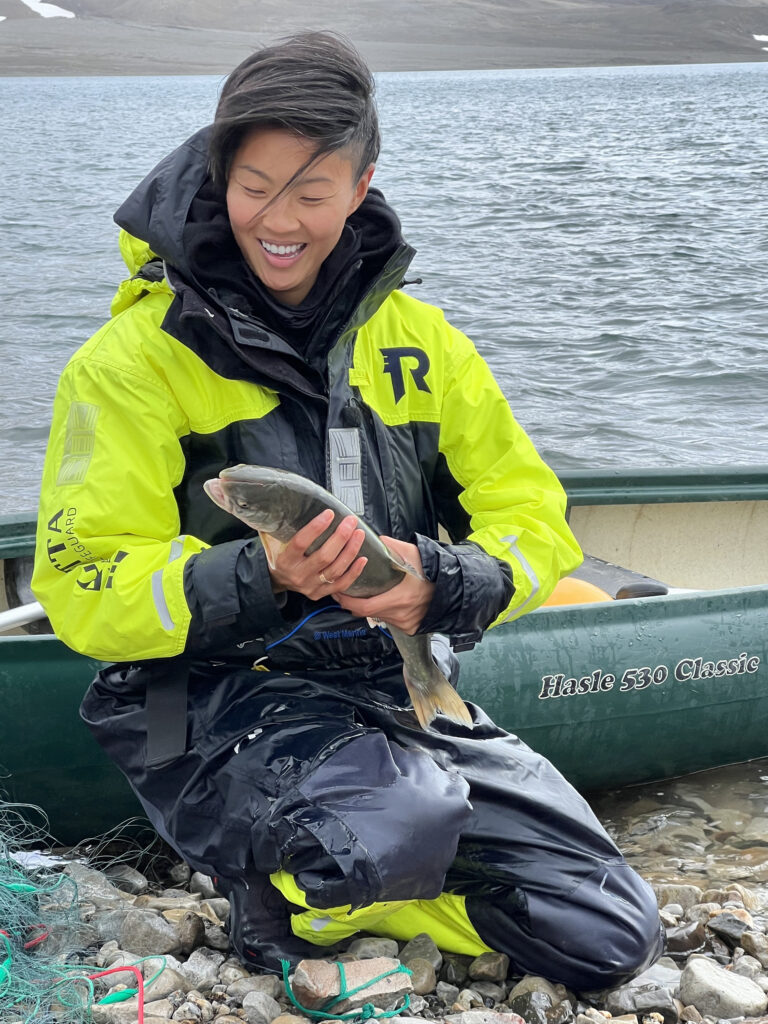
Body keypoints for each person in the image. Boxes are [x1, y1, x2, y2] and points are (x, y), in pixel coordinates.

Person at [32, 32, 662, 989]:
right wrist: (261, 574)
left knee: (611, 935)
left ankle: (371, 875)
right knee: (388, 822)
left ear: (361, 185)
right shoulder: (126, 365)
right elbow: (81, 591)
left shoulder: (424, 343)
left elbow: (535, 521)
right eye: (254, 186)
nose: (277, 220)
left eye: (312, 192)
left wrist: (442, 583)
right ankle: (283, 885)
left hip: (385, 682)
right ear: (218, 172)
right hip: (203, 697)